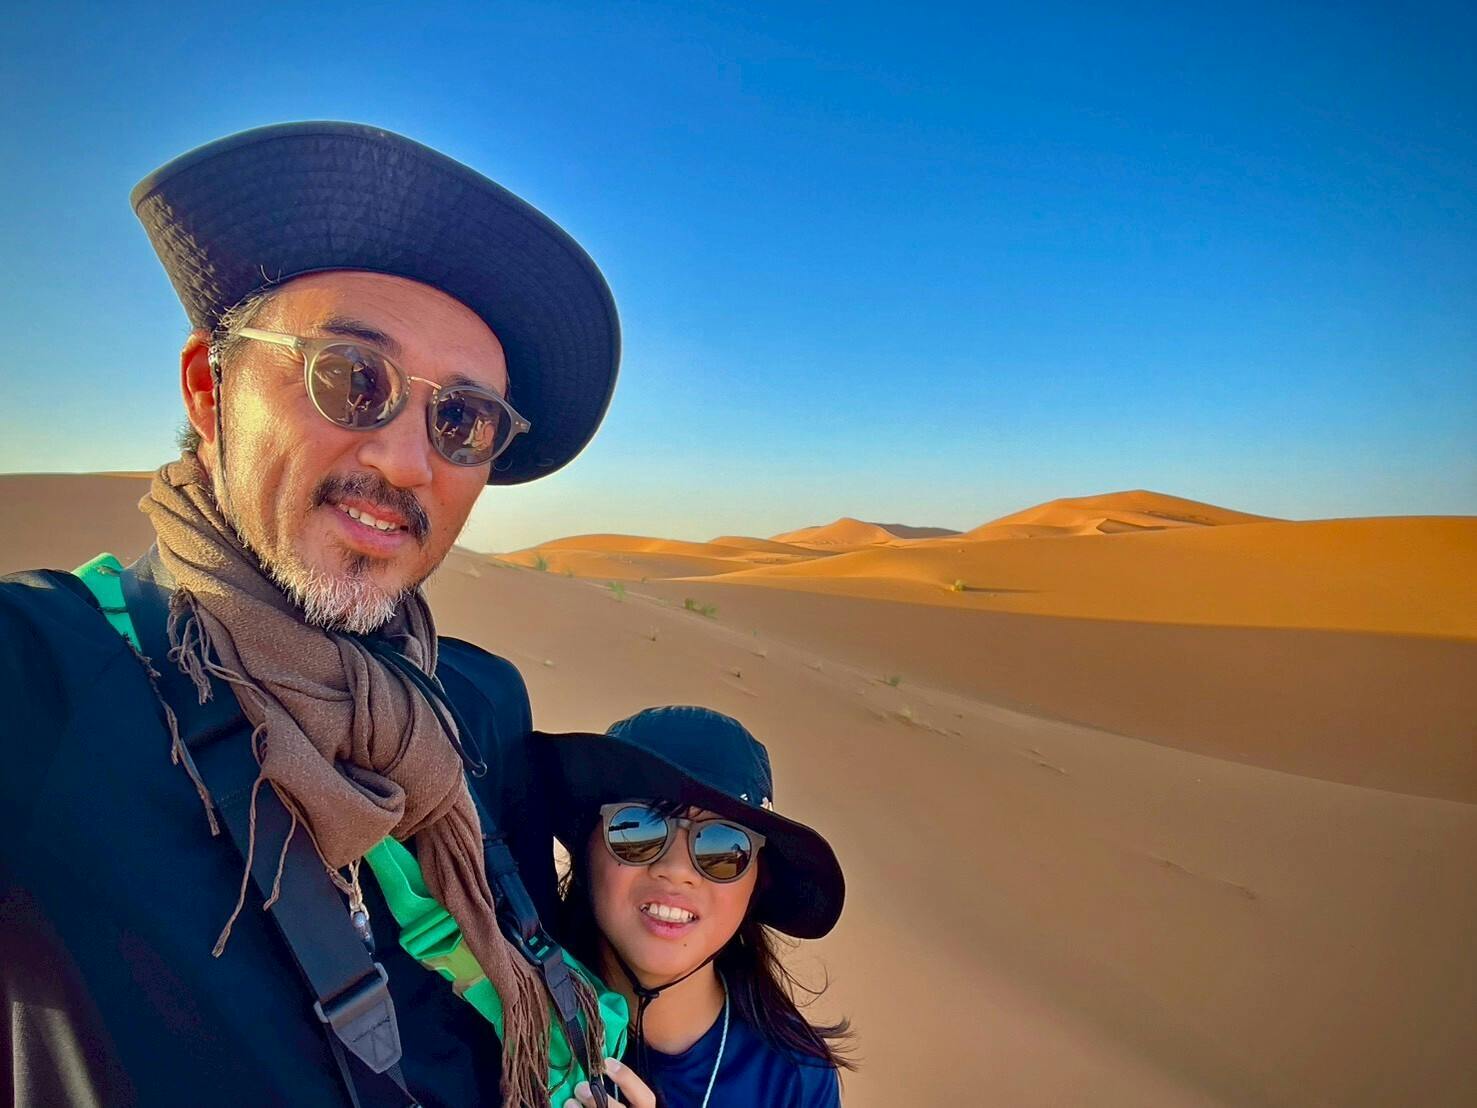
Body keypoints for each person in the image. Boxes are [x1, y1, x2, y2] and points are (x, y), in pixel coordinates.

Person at [0, 121, 624, 1107]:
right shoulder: (39, 681)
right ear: (209, 389)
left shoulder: (474, 701)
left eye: (461, 420)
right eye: (350, 377)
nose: (405, 462)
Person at [543, 707, 854, 1107]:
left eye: (724, 847)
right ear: (585, 848)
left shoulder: (793, 1080)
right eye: (636, 828)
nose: (677, 871)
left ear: (757, 883)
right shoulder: (498, 1005)